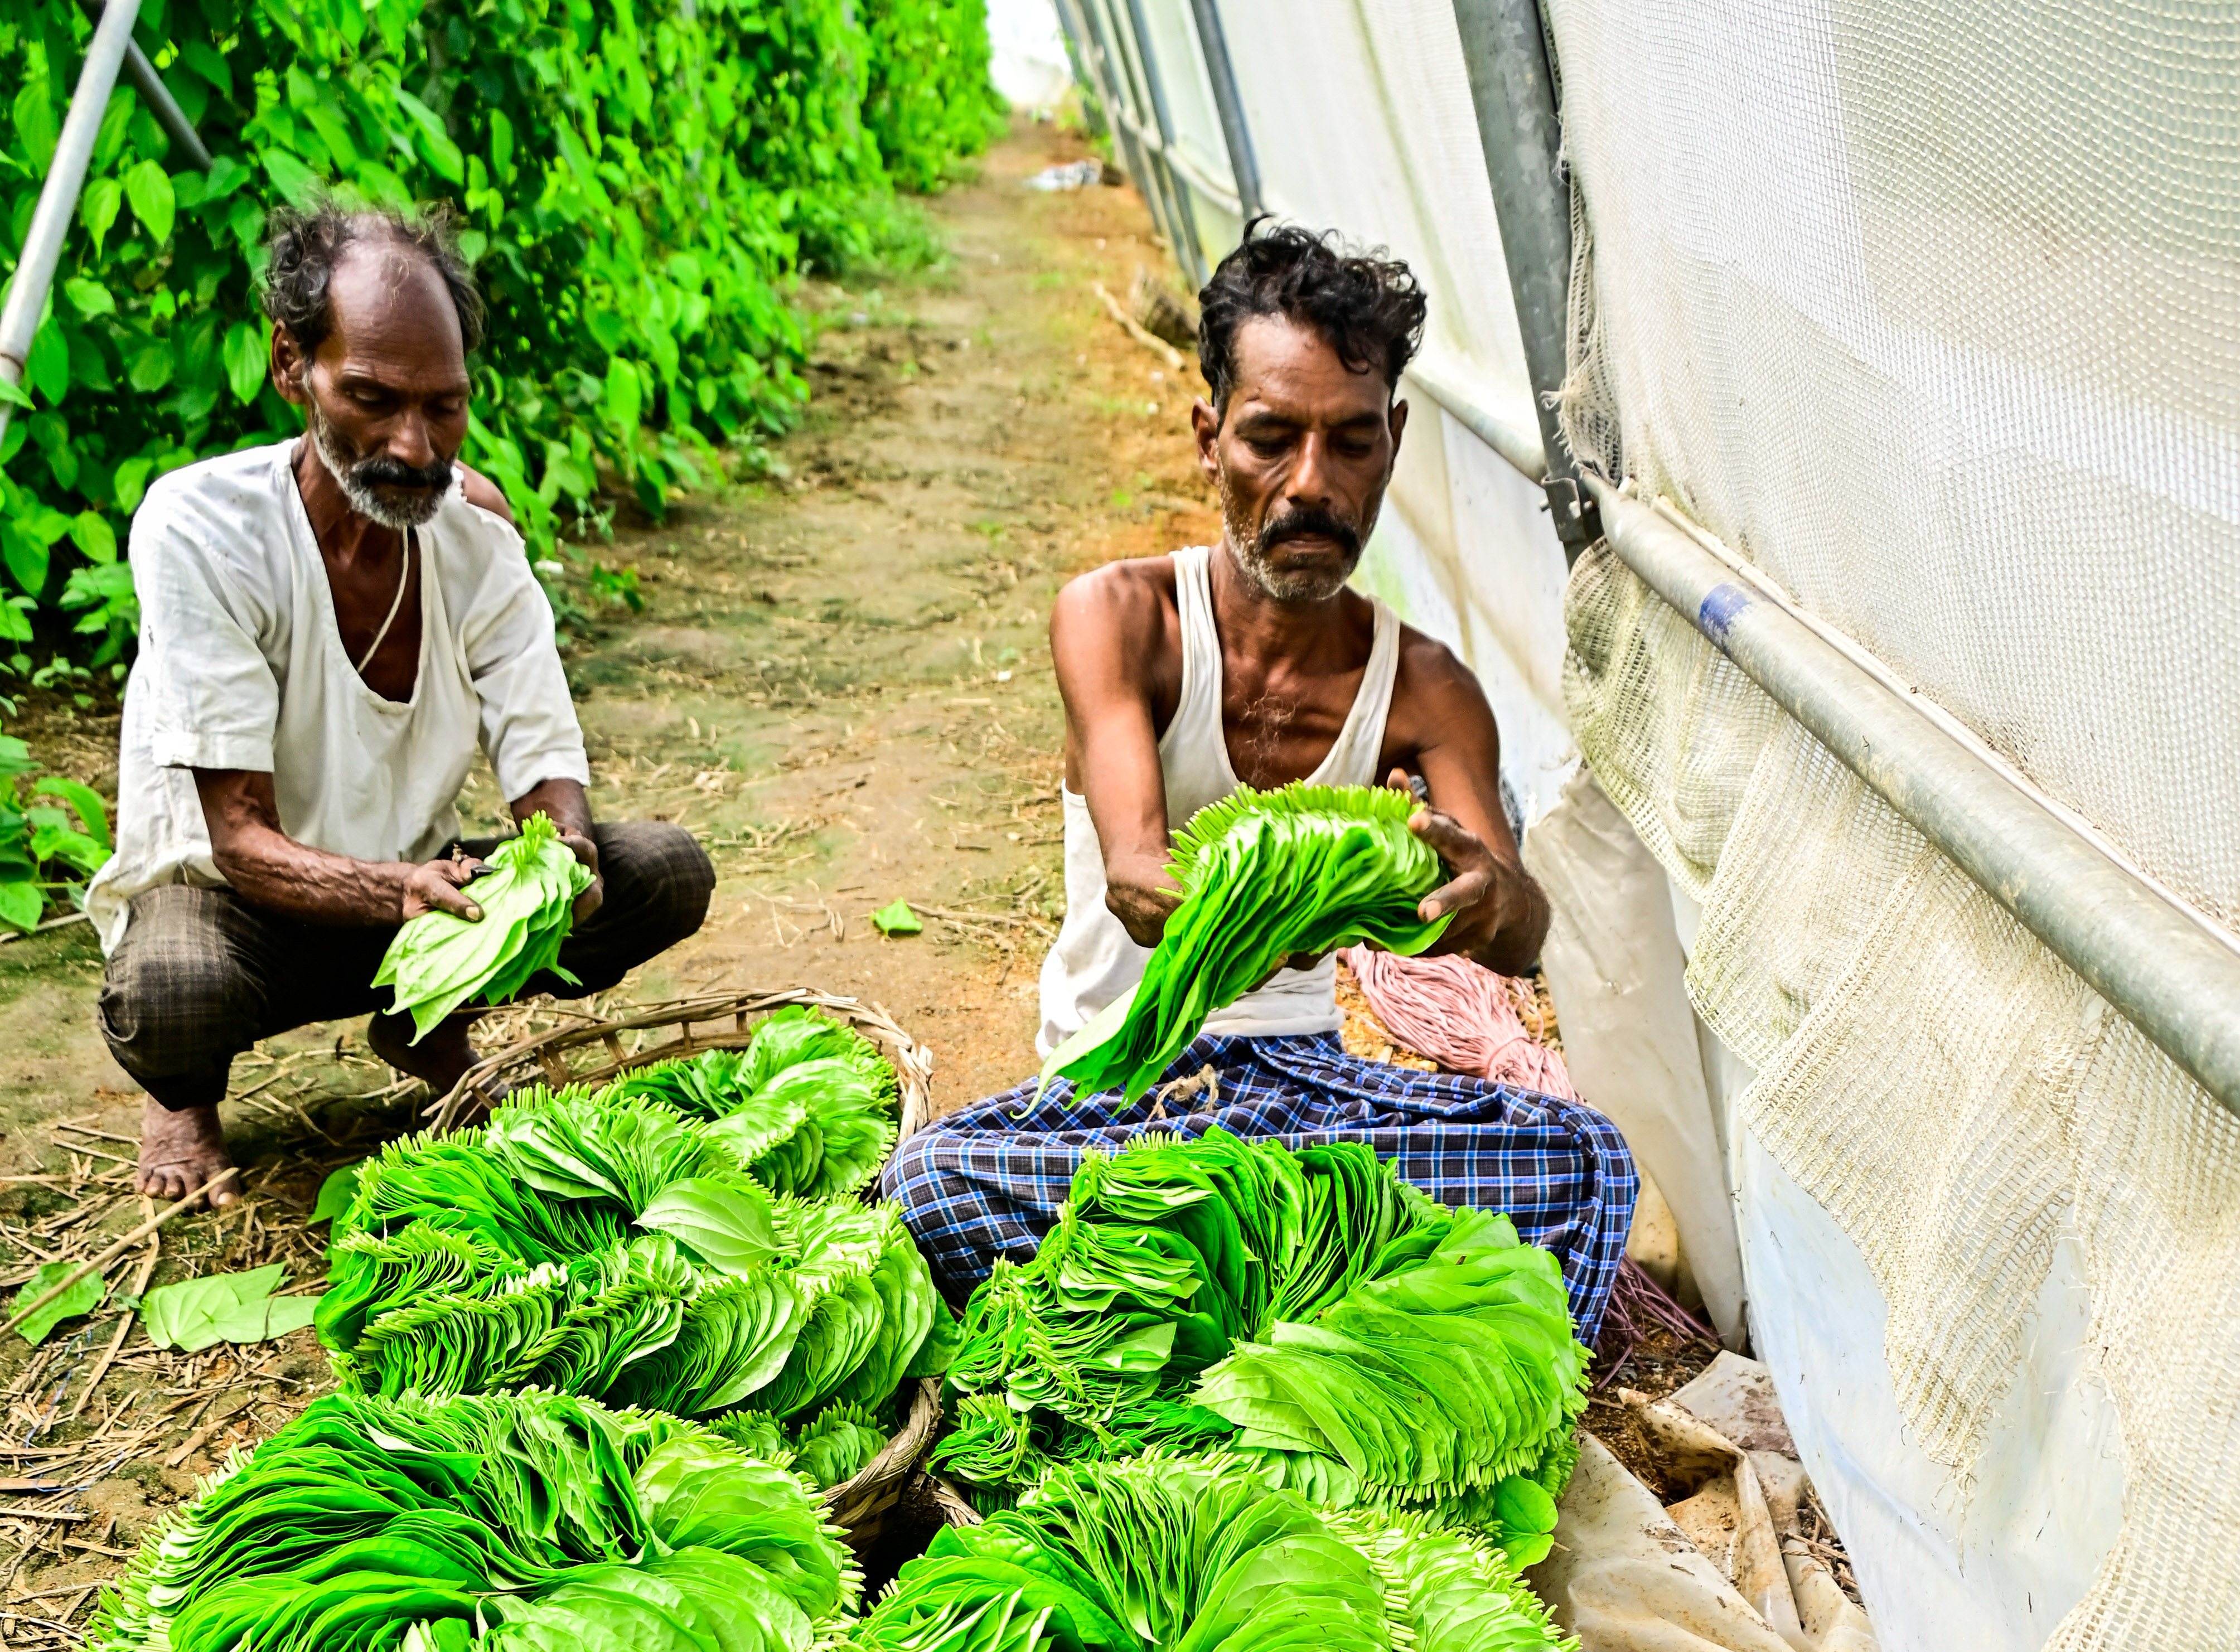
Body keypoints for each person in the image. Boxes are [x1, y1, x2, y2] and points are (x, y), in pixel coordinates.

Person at [886, 221, 1637, 1330]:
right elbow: (1140, 881)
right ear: (1207, 438)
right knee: (925, 1186)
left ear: (1391, 439)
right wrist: (1259, 909)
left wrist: (1484, 894)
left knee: (1583, 1165)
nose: (1307, 486)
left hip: (1305, 1091)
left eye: (1347, 443)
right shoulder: (1120, 618)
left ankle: (1212, 1289)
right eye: (1269, 439)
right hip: (1120, 1094)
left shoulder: (1426, 689)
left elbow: (1518, 936)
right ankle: (1315, 1294)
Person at [88, 202, 714, 1203]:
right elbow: (240, 836)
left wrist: (561, 846)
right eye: (373, 398)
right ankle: (184, 1097)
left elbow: (539, 742)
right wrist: (401, 893)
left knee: (661, 871)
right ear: (293, 366)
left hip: (420, 896)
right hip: (241, 904)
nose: (417, 448)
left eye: (445, 407)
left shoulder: (473, 537)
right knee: (169, 991)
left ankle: (419, 1020)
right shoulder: (203, 527)